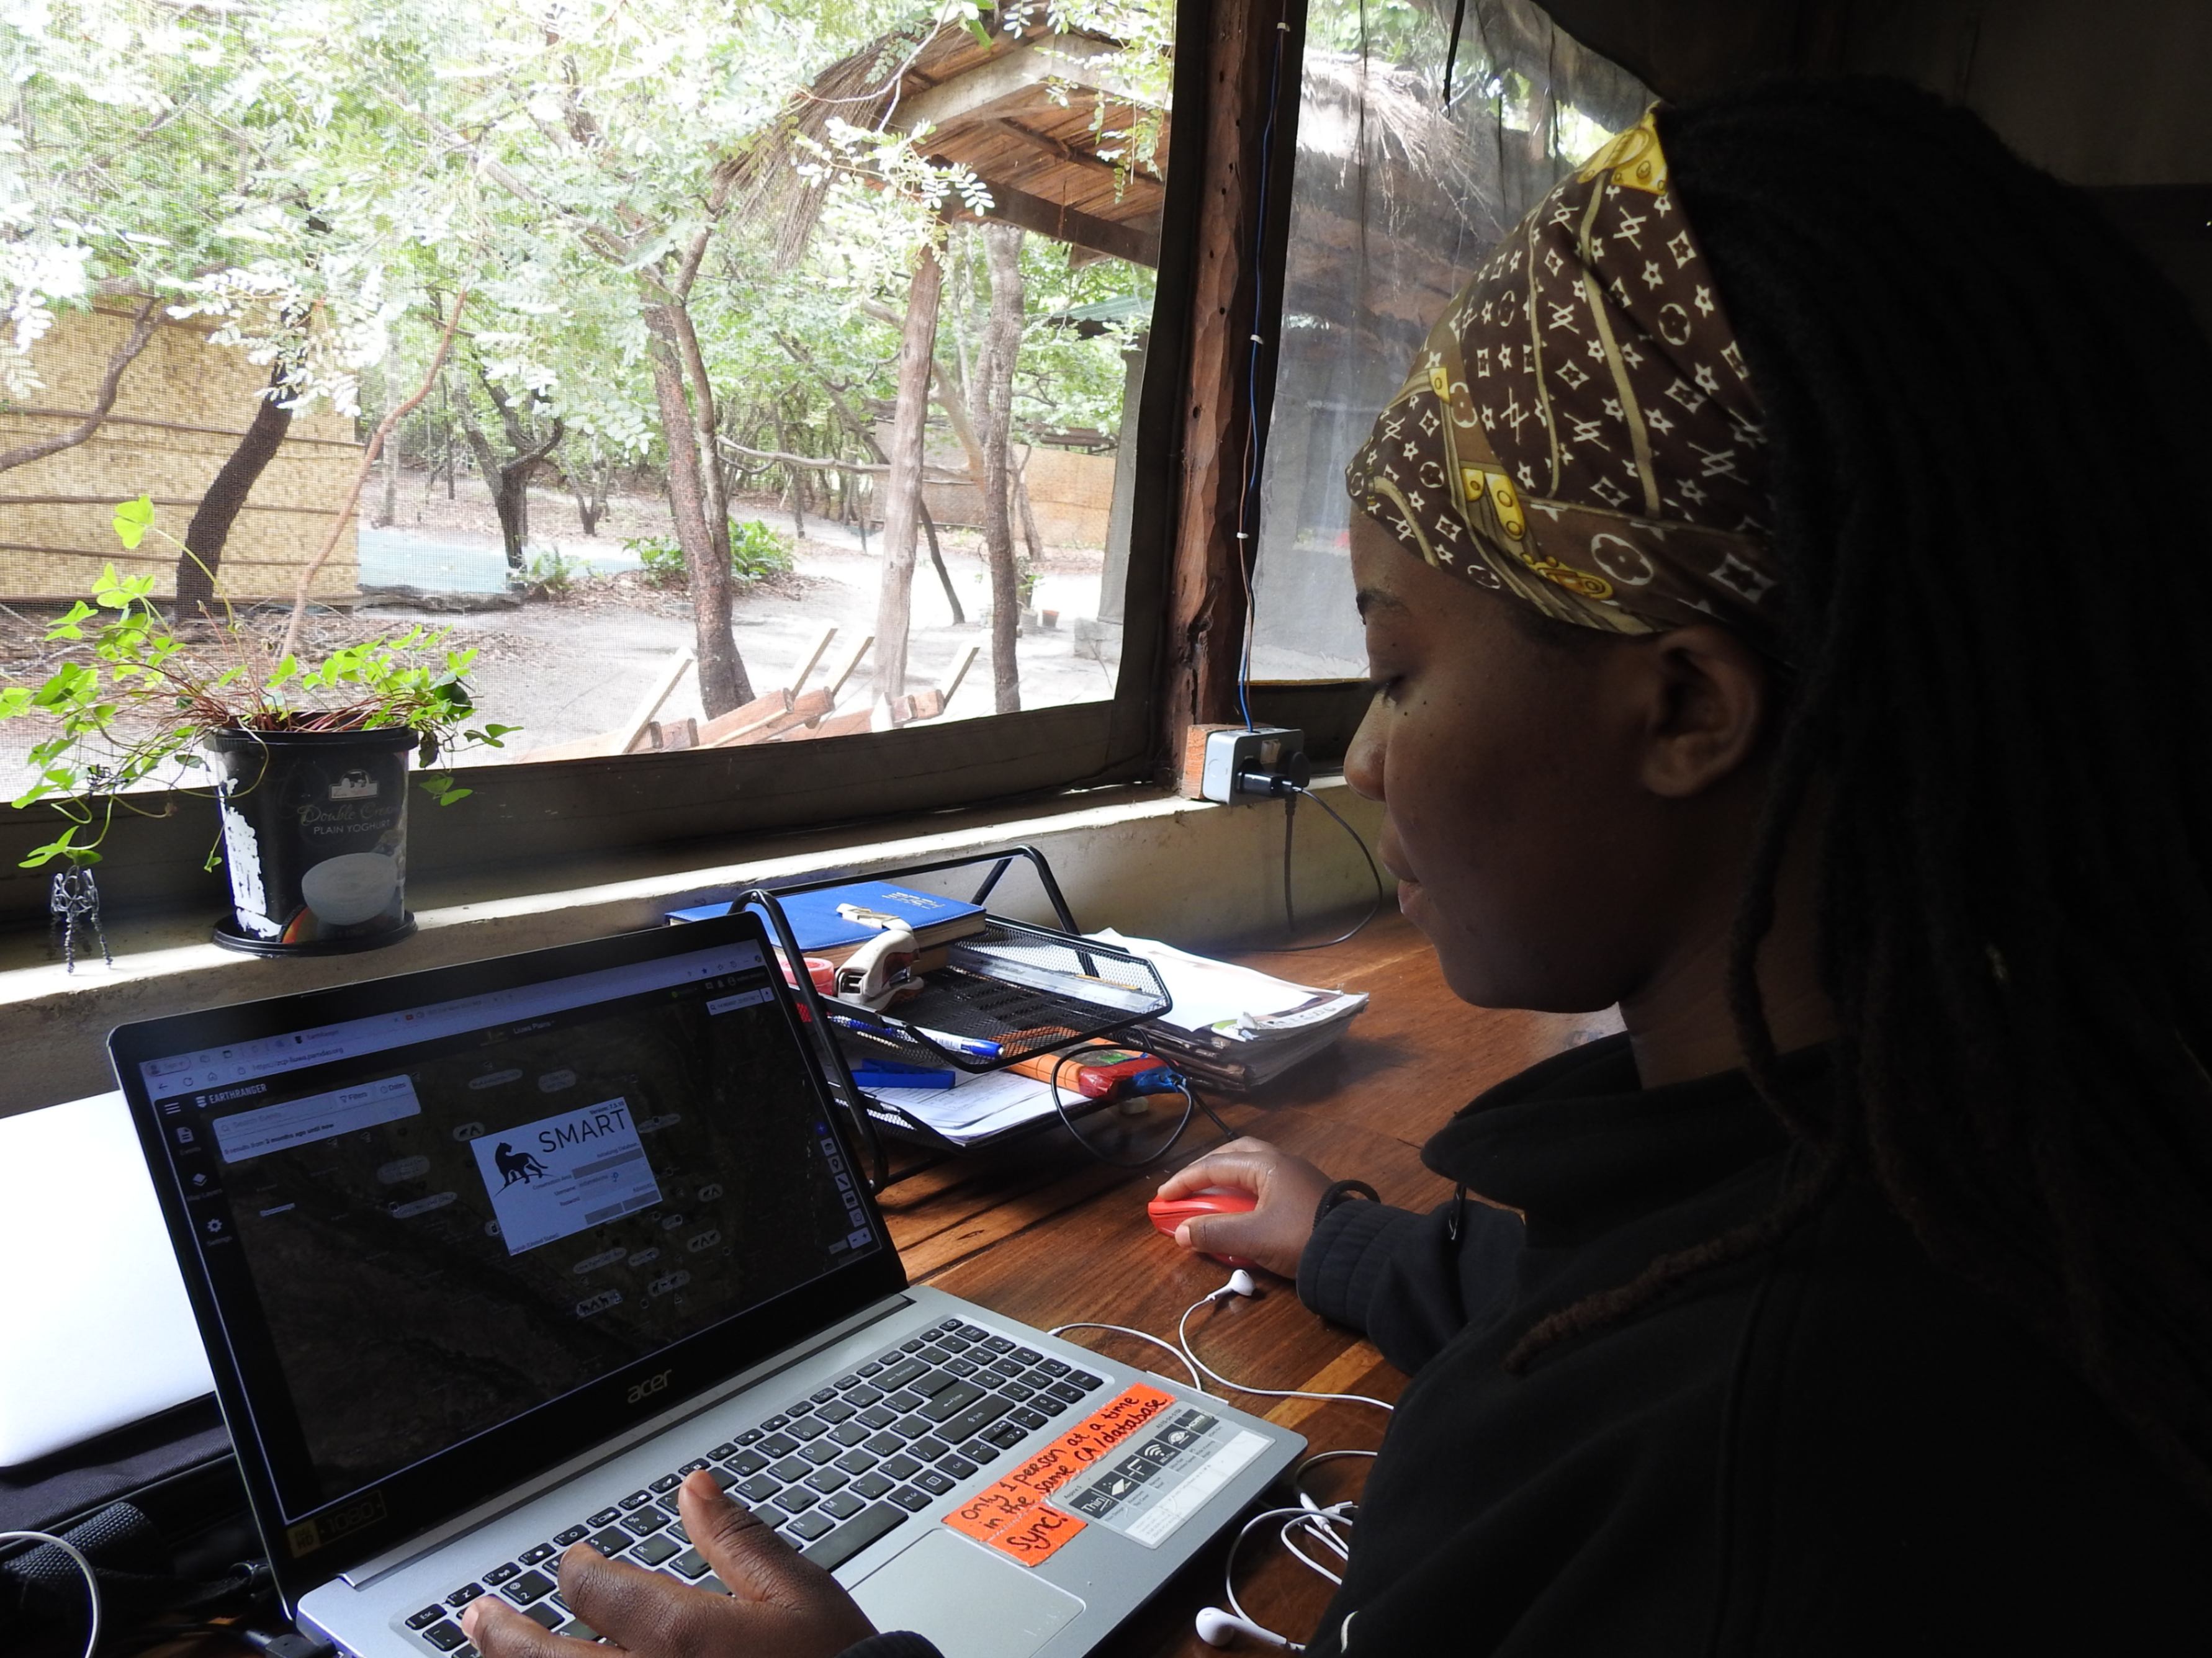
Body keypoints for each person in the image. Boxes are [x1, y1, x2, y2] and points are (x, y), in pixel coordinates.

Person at [460, 78, 2212, 1658]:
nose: (1365, 761)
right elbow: (1626, 1269)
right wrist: (1359, 1247)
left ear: (1682, 706)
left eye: (1396, 670)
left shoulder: (1761, 1468)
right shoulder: (1977, 1141)